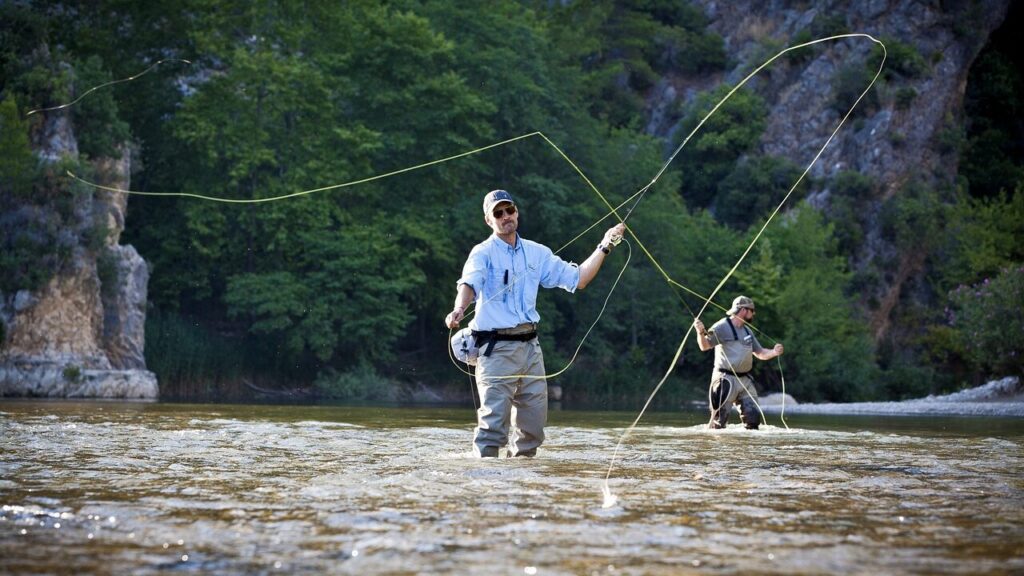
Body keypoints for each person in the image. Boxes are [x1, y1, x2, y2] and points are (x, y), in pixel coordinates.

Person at [445, 189, 626, 457]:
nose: (506, 216)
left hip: (531, 349)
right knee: (493, 427)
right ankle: (486, 487)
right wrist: (459, 309)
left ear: (516, 212)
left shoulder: (537, 252)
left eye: (510, 210)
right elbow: (469, 283)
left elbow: (579, 279)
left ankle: (523, 485)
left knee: (533, 429)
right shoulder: (481, 253)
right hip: (495, 350)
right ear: (489, 220)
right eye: (498, 213)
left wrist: (605, 245)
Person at [693, 295, 783, 429]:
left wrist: (774, 352)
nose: (753, 313)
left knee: (753, 422)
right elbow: (704, 346)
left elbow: (760, 353)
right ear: (743, 310)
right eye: (752, 310)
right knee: (718, 424)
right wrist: (700, 332)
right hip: (725, 380)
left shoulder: (747, 331)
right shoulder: (721, 326)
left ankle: (744, 449)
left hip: (745, 381)